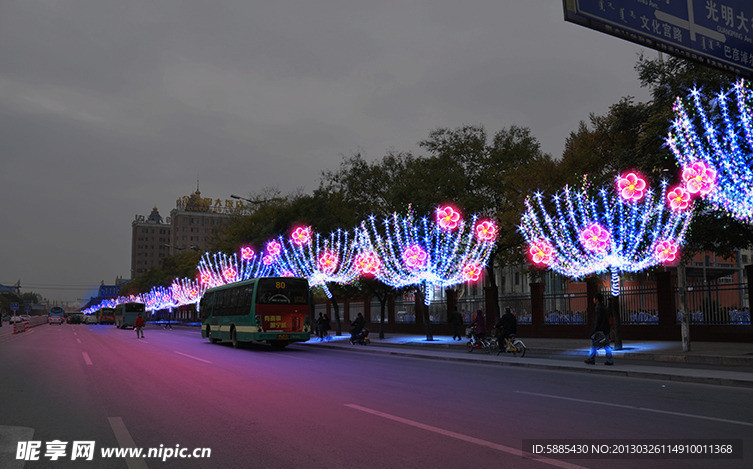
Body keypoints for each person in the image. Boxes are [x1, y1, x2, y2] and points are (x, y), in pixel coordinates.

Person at [585, 293, 613, 365]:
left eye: (594, 298)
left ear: (597, 300)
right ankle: (609, 360)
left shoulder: (598, 308)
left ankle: (591, 359)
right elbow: (608, 314)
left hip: (599, 331)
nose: (593, 300)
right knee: (607, 346)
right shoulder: (604, 307)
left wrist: (593, 331)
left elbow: (597, 320)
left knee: (594, 345)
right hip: (605, 330)